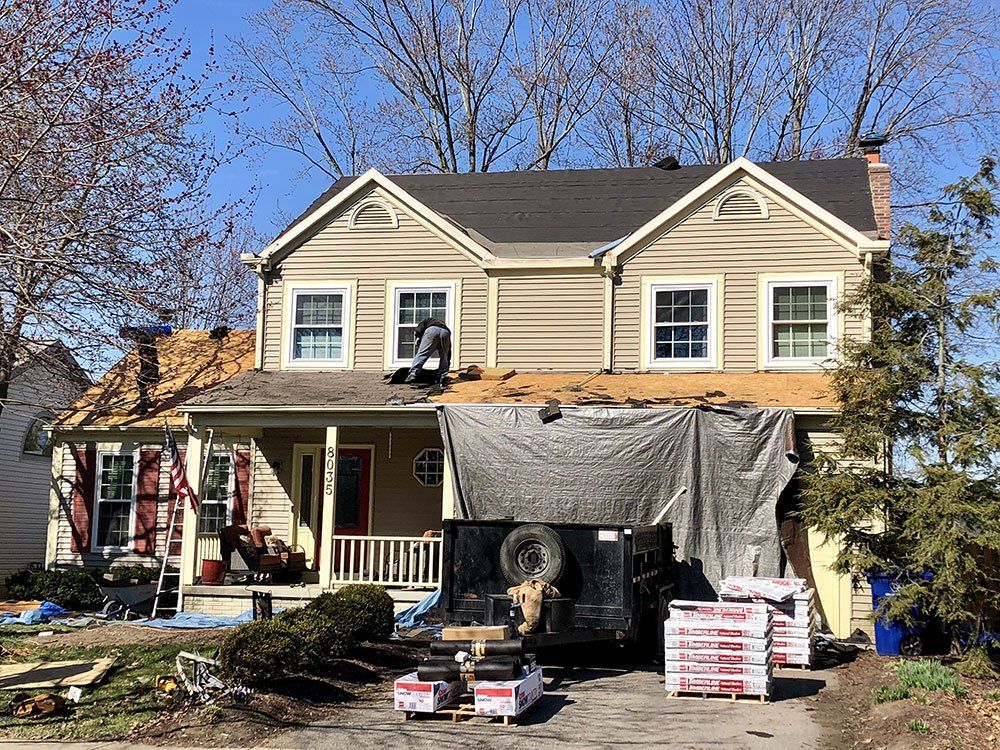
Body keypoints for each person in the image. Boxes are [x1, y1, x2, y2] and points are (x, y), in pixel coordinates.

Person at [405, 317, 451, 384]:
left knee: (422, 354)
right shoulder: (440, 323)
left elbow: (417, 331)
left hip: (432, 331)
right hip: (446, 332)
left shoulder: (426, 320)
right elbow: (448, 354)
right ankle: (442, 376)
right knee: (444, 356)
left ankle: (413, 373)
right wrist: (447, 364)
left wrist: (418, 337)